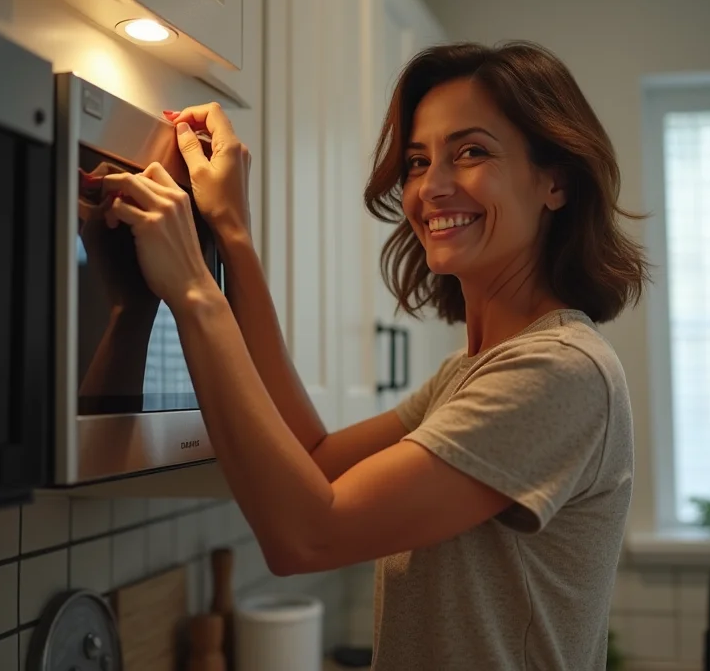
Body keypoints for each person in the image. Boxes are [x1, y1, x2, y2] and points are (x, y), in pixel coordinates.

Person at [101, 41, 650, 671]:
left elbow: (307, 535)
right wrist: (232, 236)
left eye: (472, 152)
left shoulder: (559, 371)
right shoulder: (469, 373)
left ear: (555, 181)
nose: (433, 188)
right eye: (418, 162)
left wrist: (197, 290)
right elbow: (314, 463)